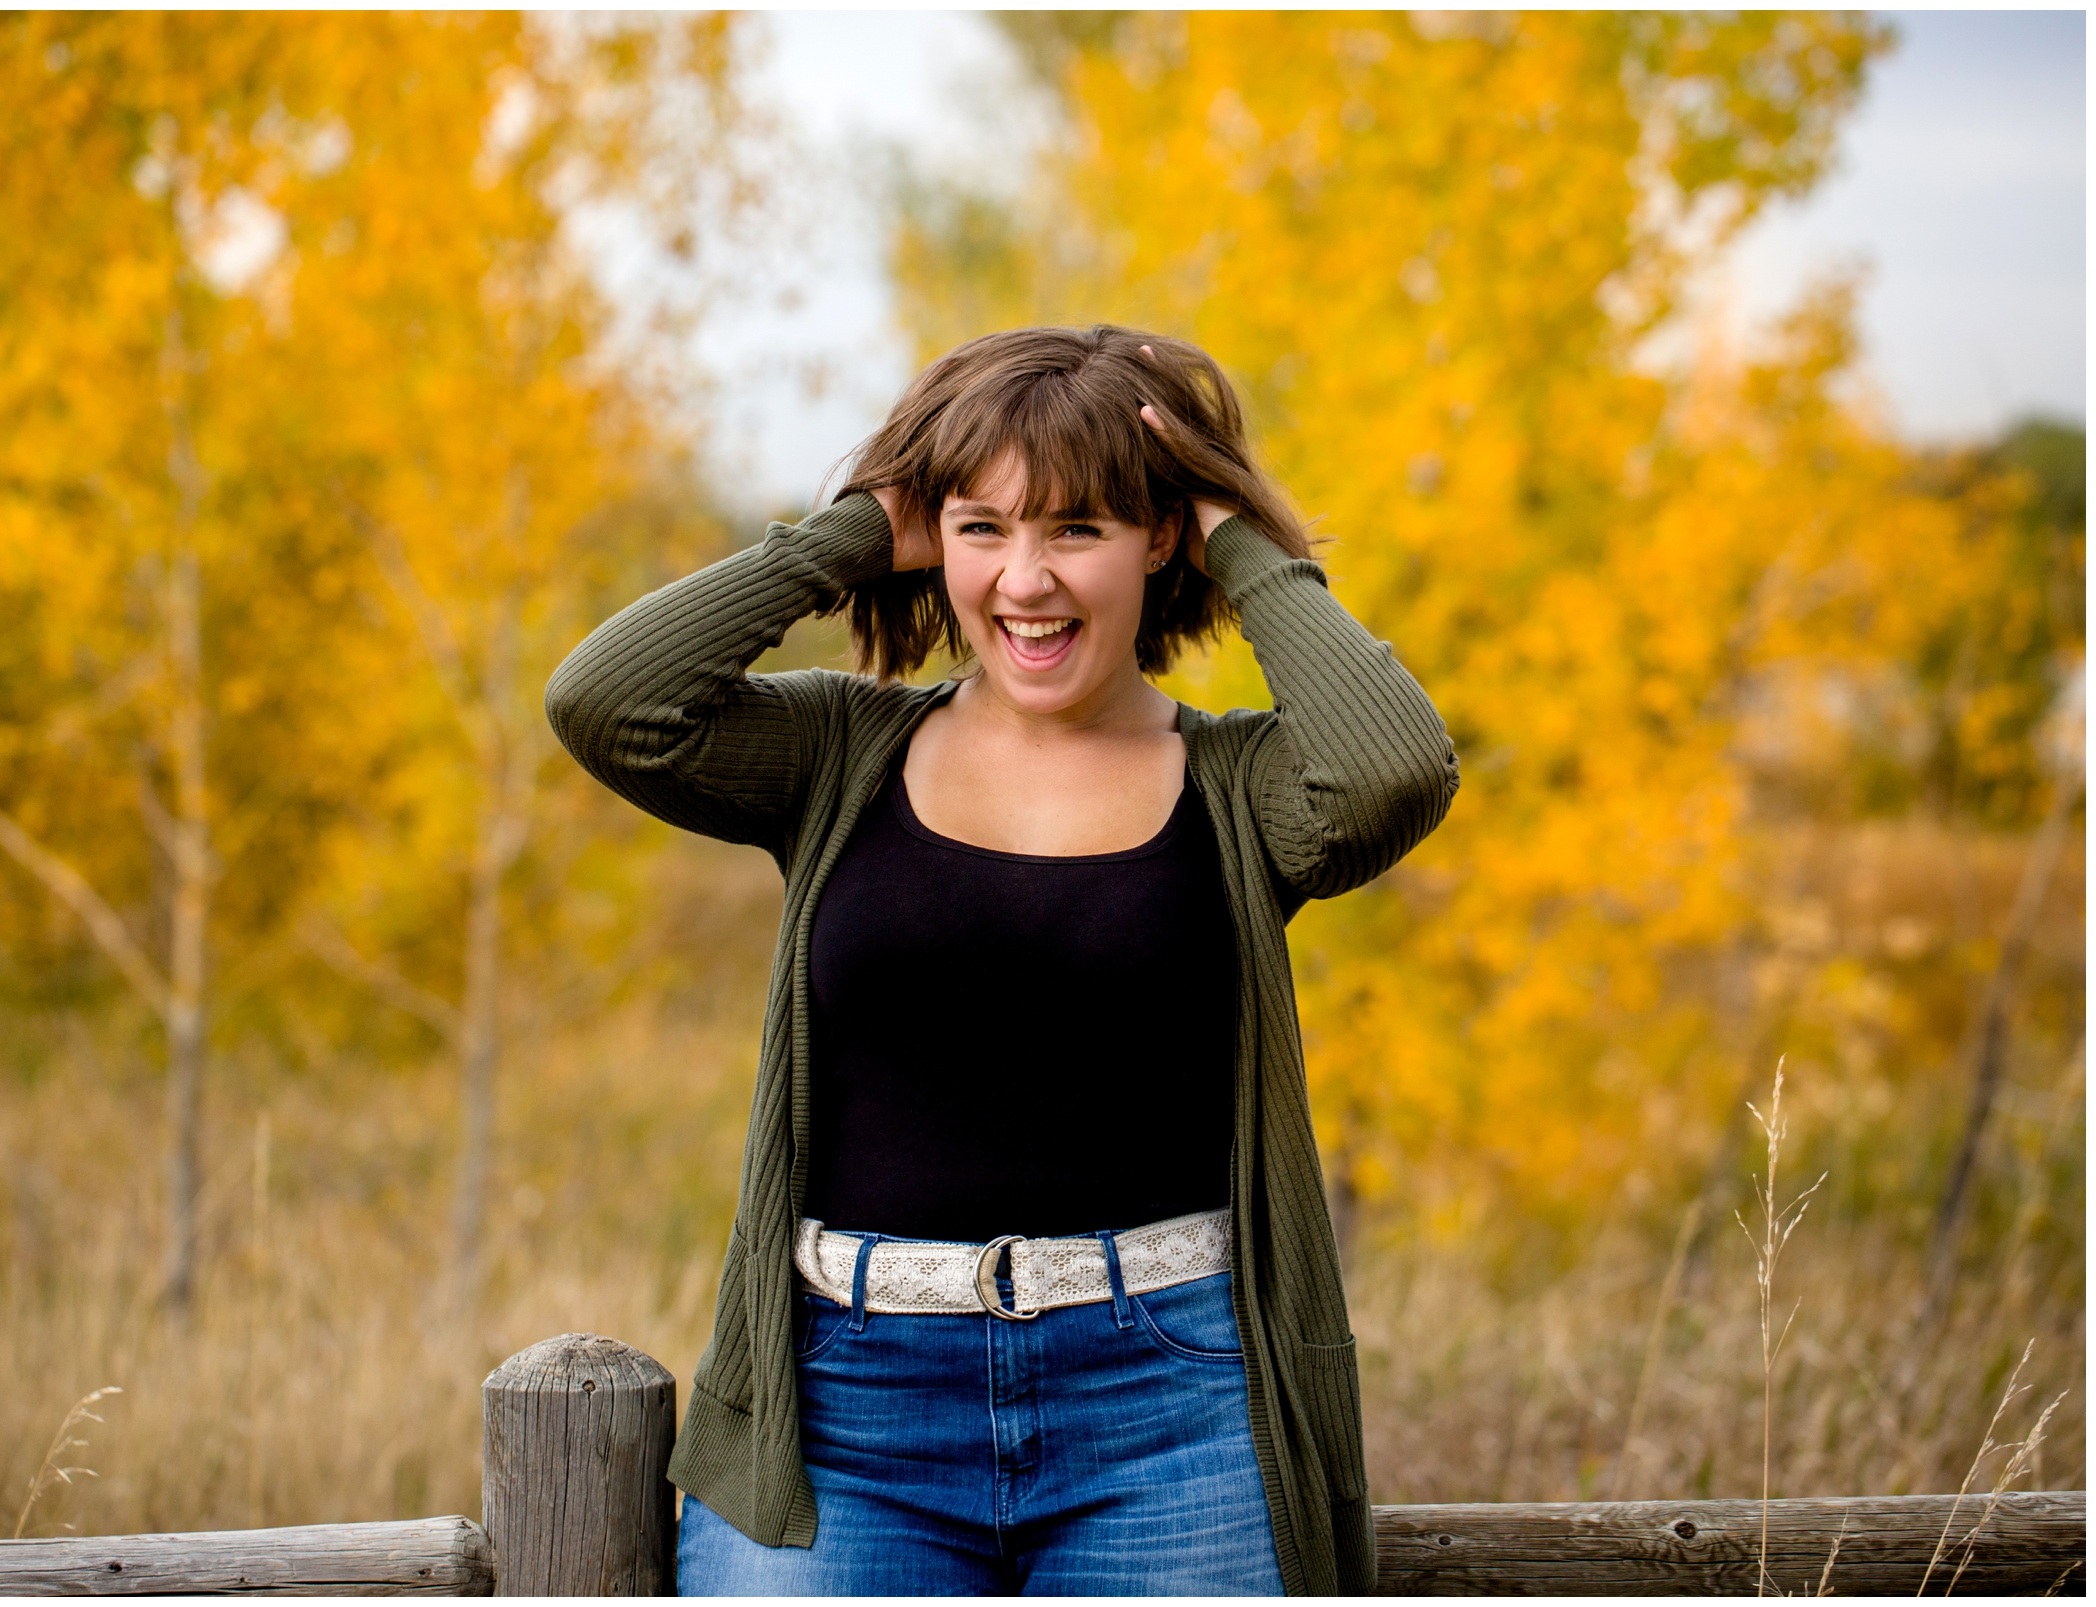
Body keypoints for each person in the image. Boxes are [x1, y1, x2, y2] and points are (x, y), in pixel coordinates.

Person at [546, 325, 1457, 1596]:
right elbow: (609, 701)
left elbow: (1396, 769)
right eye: (983, 528)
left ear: (1160, 539)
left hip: (1171, 1407)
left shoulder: (1244, 787)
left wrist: (1244, 537)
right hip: (845, 1416)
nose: (1025, 581)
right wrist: (851, 532)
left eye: (1077, 527)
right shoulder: (836, 751)